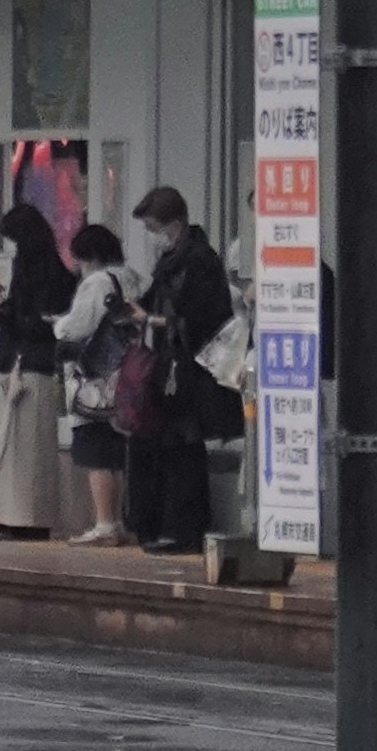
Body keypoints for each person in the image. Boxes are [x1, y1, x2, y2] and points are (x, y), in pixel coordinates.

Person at [125, 185, 239, 557]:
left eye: (156, 226)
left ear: (174, 221)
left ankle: (182, 528)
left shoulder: (199, 260)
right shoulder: (175, 259)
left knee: (182, 447)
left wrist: (153, 319)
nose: (155, 234)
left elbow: (202, 317)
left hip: (189, 369)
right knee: (172, 447)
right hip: (171, 364)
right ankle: (171, 524)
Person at [0, 191, 75, 535]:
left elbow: (30, 323)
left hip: (23, 364)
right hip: (31, 365)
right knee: (26, 450)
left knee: (3, 446)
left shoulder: (35, 270)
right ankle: (21, 518)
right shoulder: (54, 271)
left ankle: (6, 517)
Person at [55, 218, 136, 544]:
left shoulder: (97, 282)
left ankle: (104, 523)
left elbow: (76, 327)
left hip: (96, 380)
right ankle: (117, 522)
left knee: (94, 449)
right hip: (127, 374)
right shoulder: (131, 278)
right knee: (117, 451)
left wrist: (57, 325)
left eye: (79, 258)